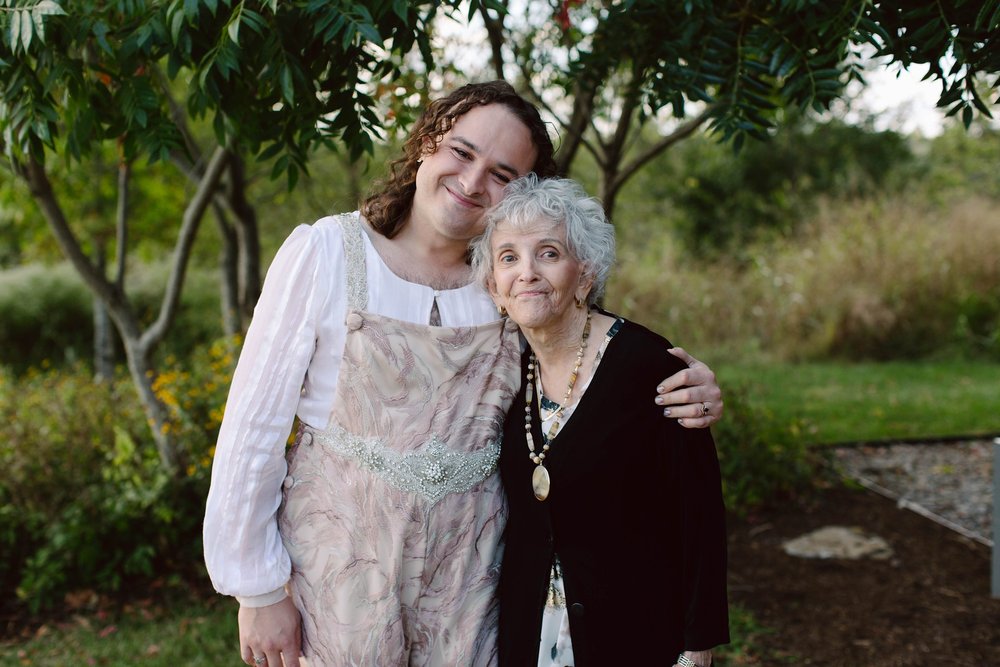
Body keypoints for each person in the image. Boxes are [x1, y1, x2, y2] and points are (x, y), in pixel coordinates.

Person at [203, 81, 724, 667]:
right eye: (462, 151)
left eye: (501, 174)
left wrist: (685, 383)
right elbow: (254, 429)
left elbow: (585, 366)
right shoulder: (327, 253)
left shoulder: (505, 286)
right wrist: (259, 588)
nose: (474, 182)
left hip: (473, 578)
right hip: (338, 570)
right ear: (427, 143)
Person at [471, 174, 729, 667]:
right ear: (495, 289)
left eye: (548, 253)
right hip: (529, 633)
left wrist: (698, 644)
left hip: (635, 630)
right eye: (509, 258)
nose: (526, 272)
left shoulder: (651, 368)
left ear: (585, 274)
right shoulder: (502, 371)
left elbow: (699, 516)